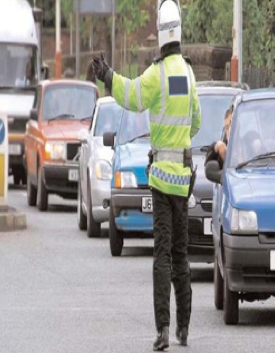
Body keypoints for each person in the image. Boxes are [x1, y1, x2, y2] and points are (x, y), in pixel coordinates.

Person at [92, 0, 201, 351]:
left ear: (159, 32)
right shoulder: (187, 73)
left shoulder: (158, 74)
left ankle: (163, 331)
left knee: (162, 256)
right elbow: (196, 120)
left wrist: (107, 75)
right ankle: (184, 327)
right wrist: (181, 136)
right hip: (183, 181)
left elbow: (133, 96)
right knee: (182, 255)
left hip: (158, 181)